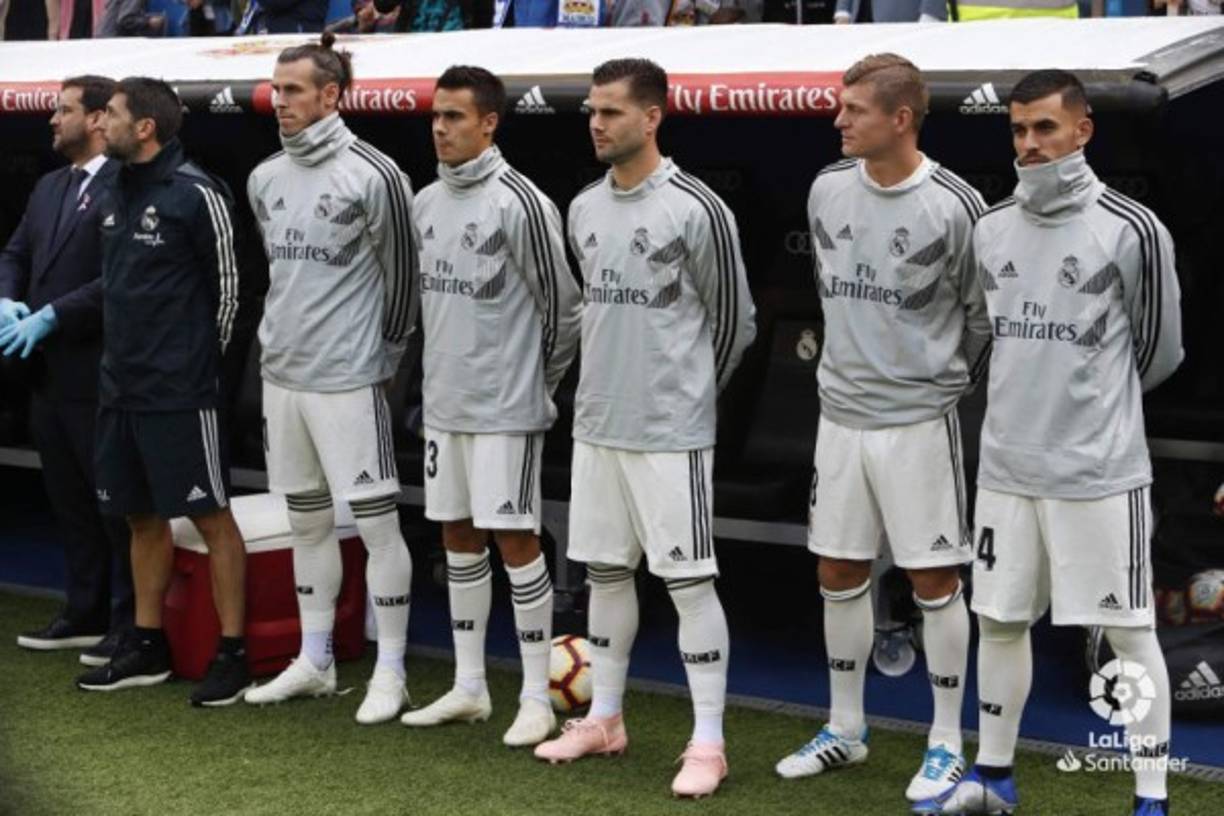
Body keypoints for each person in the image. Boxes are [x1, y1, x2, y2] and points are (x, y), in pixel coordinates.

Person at [932, 70, 1182, 816]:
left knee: (1130, 634)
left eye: (1045, 128)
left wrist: (1089, 408)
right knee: (1000, 622)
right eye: (1018, 130)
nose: (1030, 145)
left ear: (1082, 131)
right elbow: (987, 338)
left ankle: (1152, 799)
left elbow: (1158, 352)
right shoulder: (992, 227)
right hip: (1008, 469)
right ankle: (995, 778)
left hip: (1098, 473)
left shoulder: (1132, 228)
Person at [533, 58, 757, 799]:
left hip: (669, 430)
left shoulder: (698, 209)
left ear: (652, 116)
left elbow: (735, 326)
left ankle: (709, 742)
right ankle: (604, 718)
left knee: (688, 583)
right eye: (591, 112)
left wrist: (684, 394)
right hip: (598, 424)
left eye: (611, 112)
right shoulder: (584, 207)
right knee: (604, 573)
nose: (597, 124)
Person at [774, 53, 989, 810]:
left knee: (933, 581)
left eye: (854, 109)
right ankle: (845, 727)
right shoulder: (827, 188)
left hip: (919, 423)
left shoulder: (955, 206)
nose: (839, 120)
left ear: (900, 119)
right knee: (838, 571)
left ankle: (944, 742)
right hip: (840, 419)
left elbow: (980, 317)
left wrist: (936, 381)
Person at [400, 66, 582, 746]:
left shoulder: (521, 202)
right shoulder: (423, 202)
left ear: (489, 122)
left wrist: (538, 388)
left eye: (454, 117)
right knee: (454, 535)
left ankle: (537, 696)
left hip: (507, 407)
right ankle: (470, 687)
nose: (441, 128)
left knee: (515, 541)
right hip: (444, 406)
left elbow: (566, 310)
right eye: (435, 116)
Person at [243, 33, 419, 726]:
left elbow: (404, 288)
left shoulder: (375, 174)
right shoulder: (263, 177)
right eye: (275, 89)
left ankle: (393, 670)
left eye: (292, 91)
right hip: (281, 376)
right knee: (306, 521)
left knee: (377, 527)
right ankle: (315, 661)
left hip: (349, 378)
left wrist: (378, 366)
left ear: (331, 95)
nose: (278, 101)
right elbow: (283, 277)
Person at [76, 77, 250, 707]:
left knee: (210, 516)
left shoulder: (196, 193)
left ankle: (233, 654)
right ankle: (147, 645)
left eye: (111, 116)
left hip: (181, 391)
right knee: (139, 515)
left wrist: (204, 377)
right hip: (119, 388)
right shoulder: (113, 188)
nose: (101, 125)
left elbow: (231, 295)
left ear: (144, 128)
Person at [1, 75, 134, 668]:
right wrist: (7, 297)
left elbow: (123, 277)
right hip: (47, 374)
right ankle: (84, 611)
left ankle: (130, 623)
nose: (52, 120)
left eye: (65, 110)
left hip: (102, 370)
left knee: (116, 505)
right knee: (70, 500)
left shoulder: (128, 186)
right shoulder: (50, 185)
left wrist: (57, 314)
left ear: (101, 118)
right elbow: (16, 253)